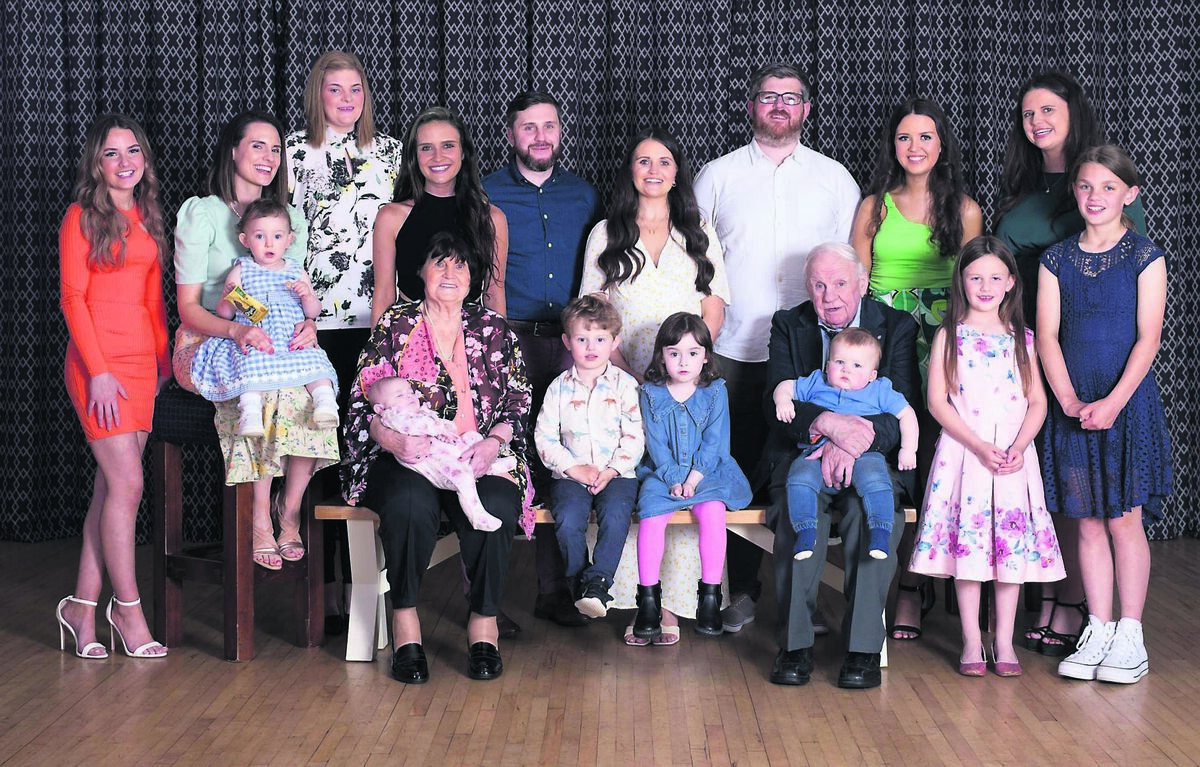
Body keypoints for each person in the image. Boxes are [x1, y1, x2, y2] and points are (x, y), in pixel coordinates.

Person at [693, 62, 860, 633]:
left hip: (812, 354)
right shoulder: (716, 176)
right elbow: (699, 266)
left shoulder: (835, 179)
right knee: (735, 473)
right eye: (769, 97)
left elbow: (849, 268)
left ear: (807, 109)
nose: (780, 106)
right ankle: (740, 592)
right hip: (735, 350)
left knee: (796, 472)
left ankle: (801, 597)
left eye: (791, 98)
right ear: (752, 107)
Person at [995, 73, 1148, 655]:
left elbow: (1131, 287)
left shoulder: (1102, 183)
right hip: (1028, 347)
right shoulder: (1022, 189)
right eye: (1028, 111)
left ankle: (1081, 607)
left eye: (1048, 109)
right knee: (1055, 483)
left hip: (1093, 354)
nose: (1037, 120)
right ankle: (1061, 595)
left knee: (1096, 494)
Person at [342, 233, 531, 684]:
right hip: (408, 454)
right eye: (440, 264)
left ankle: (483, 623)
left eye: (460, 266)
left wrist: (493, 443)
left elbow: (519, 401)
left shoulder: (494, 328)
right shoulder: (397, 326)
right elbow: (360, 403)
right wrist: (392, 440)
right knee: (409, 506)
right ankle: (405, 622)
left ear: (473, 278)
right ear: (421, 274)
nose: (450, 274)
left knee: (499, 506)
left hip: (477, 451)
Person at [579, 127, 731, 639]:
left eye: (663, 161)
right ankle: (635, 601)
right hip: (623, 381)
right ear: (631, 171)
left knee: (687, 477)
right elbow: (594, 310)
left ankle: (682, 604)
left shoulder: (698, 229)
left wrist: (687, 363)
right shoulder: (607, 232)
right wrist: (626, 372)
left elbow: (714, 302)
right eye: (643, 161)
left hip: (687, 383)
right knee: (640, 486)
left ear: (676, 171)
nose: (653, 170)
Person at [173, 110, 337, 572]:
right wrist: (238, 330)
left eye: (276, 148)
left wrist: (311, 326)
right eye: (258, 145)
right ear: (234, 150)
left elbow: (292, 289)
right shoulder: (201, 212)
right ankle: (259, 517)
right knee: (274, 391)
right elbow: (189, 309)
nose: (268, 157)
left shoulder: (291, 219)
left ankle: (289, 506)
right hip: (209, 338)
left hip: (275, 340)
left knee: (309, 390)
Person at [849, 96, 984, 642]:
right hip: (887, 340)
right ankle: (904, 586)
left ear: (941, 145)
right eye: (904, 137)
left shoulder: (966, 209)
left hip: (946, 340)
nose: (915, 147)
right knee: (898, 459)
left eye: (925, 136)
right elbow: (858, 284)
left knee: (940, 462)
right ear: (893, 146)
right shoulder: (873, 207)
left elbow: (981, 286)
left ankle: (931, 580)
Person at [1038, 146, 1171, 684]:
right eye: (1086, 186)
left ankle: (1130, 635)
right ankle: (1097, 625)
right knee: (1087, 521)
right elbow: (1046, 335)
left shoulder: (1146, 256)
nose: (1095, 197)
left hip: (1126, 401)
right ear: (1076, 191)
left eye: (1108, 188)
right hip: (1075, 402)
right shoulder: (1057, 259)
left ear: (1129, 195)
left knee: (1123, 521)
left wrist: (1113, 402)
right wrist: (1069, 401)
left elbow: (1149, 336)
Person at [760, 242, 919, 689]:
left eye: (841, 283)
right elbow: (779, 402)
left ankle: (864, 650)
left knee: (869, 518)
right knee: (797, 515)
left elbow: (903, 409)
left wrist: (851, 443)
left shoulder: (897, 326)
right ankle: (795, 646)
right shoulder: (788, 325)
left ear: (863, 284)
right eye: (819, 284)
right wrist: (828, 426)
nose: (830, 295)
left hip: (872, 460)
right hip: (802, 455)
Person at [908, 236, 1065, 677]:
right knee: (970, 549)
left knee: (1008, 550)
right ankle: (972, 642)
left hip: (1013, 458)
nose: (985, 285)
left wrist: (1016, 447)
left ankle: (1004, 640)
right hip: (965, 453)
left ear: (1012, 283)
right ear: (961, 281)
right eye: (976, 277)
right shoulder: (948, 335)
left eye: (996, 277)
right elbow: (937, 402)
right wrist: (978, 446)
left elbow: (1038, 403)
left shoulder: (1024, 338)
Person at [286, 49, 403, 633]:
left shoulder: (388, 153)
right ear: (318, 95)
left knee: (373, 449)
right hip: (315, 327)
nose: (347, 100)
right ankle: (327, 590)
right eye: (335, 90)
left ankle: (372, 588)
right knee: (322, 457)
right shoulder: (291, 154)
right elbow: (275, 242)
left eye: (356, 89)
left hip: (377, 322)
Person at [484, 90, 604, 628]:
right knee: (506, 460)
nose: (539, 137)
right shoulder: (485, 190)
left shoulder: (583, 195)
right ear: (511, 135)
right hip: (507, 340)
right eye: (527, 127)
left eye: (548, 126)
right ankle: (485, 599)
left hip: (570, 343)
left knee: (562, 457)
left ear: (560, 131)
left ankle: (553, 591)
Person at [56, 113, 171, 659]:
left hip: (141, 367)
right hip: (96, 365)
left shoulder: (147, 215)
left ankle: (80, 607)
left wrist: (165, 360)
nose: (125, 163)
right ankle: (128, 611)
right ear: (96, 164)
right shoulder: (80, 217)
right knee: (126, 488)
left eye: (132, 152)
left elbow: (152, 300)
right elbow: (73, 299)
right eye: (111, 154)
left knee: (110, 491)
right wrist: (98, 371)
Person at [632, 313, 752, 644]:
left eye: (693, 353)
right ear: (661, 356)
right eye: (674, 353)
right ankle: (648, 602)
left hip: (708, 470)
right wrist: (673, 479)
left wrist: (694, 478)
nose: (683, 362)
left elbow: (716, 443)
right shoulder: (650, 393)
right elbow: (655, 445)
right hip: (663, 470)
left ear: (706, 357)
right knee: (651, 516)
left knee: (713, 512)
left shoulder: (715, 392)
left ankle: (710, 599)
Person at [191, 199, 339, 438]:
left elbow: (313, 313)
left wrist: (307, 295)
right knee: (248, 364)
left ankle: (326, 404)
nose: (269, 243)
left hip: (292, 337)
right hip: (258, 336)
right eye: (260, 236)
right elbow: (225, 314)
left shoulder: (296, 270)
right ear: (245, 240)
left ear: (289, 240)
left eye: (277, 237)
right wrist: (229, 297)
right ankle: (250, 413)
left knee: (316, 360)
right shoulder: (242, 269)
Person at [534, 295, 643, 620]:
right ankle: (580, 586)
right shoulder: (558, 388)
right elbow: (544, 437)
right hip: (571, 476)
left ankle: (598, 583)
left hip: (617, 475)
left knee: (616, 516)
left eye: (600, 338)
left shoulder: (625, 385)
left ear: (615, 341)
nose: (591, 346)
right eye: (582, 339)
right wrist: (572, 468)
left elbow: (635, 436)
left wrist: (612, 470)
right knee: (567, 520)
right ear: (568, 342)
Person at [773, 328, 918, 560]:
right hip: (815, 453)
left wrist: (908, 449)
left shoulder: (879, 389)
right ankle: (805, 531)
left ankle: (881, 530)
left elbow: (907, 414)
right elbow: (785, 386)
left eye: (857, 366)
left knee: (875, 479)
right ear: (827, 364)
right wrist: (783, 401)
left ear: (872, 374)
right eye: (839, 361)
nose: (845, 369)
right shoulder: (816, 382)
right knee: (799, 478)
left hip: (865, 453)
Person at [373, 106, 508, 323]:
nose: (438, 157)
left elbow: (494, 295)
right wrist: (379, 354)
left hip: (469, 339)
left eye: (448, 146)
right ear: (414, 156)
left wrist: (500, 351)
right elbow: (383, 294)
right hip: (409, 337)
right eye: (426, 148)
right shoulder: (390, 217)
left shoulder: (492, 218)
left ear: (463, 152)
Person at [363, 375, 512, 532]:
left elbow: (441, 424)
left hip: (446, 449)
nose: (409, 396)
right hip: (431, 461)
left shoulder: (419, 411)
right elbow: (413, 427)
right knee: (461, 476)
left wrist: (445, 429)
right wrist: (437, 429)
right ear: (380, 409)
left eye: (410, 392)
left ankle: (490, 467)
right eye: (400, 395)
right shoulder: (391, 416)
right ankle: (476, 515)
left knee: (472, 438)